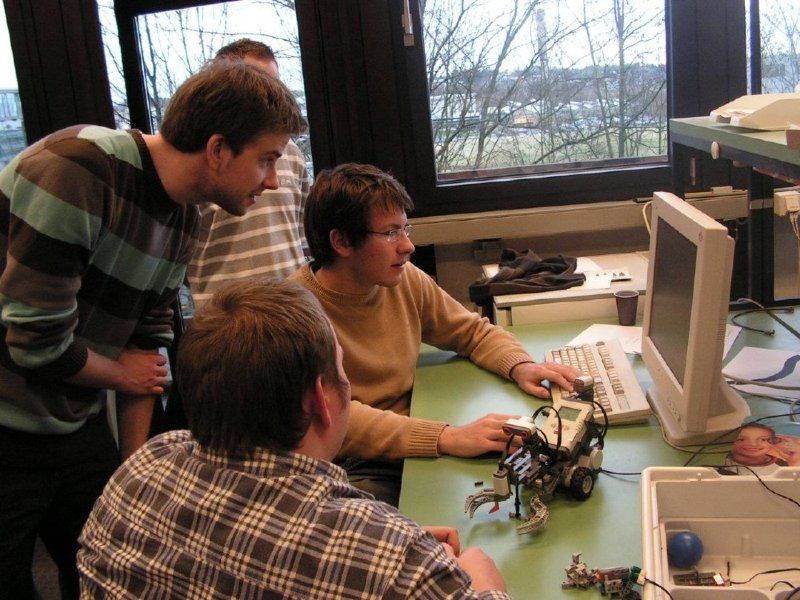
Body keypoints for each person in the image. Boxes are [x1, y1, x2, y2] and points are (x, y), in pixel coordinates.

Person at [0, 60, 305, 599]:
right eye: (266, 160)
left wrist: (133, 478)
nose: (273, 180)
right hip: (7, 424)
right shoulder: (78, 170)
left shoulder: (185, 217)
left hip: (73, 417)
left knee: (107, 568)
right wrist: (120, 374)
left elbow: (149, 348)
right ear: (217, 149)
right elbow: (34, 341)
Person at [78, 278, 511, 600]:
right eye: (342, 371)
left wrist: (385, 537)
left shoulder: (141, 470)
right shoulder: (401, 567)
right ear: (322, 400)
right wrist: (484, 580)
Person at [289, 162, 579, 504]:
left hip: (410, 428)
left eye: (405, 228)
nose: (408, 246)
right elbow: (338, 419)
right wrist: (445, 437)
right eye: (391, 233)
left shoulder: (402, 278)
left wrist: (520, 365)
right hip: (352, 458)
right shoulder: (296, 313)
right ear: (341, 241)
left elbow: (471, 332)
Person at [187, 39, 311, 309]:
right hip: (227, 323)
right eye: (255, 85)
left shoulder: (293, 154)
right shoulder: (201, 160)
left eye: (274, 86)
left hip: (293, 312)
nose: (269, 96)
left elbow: (304, 236)